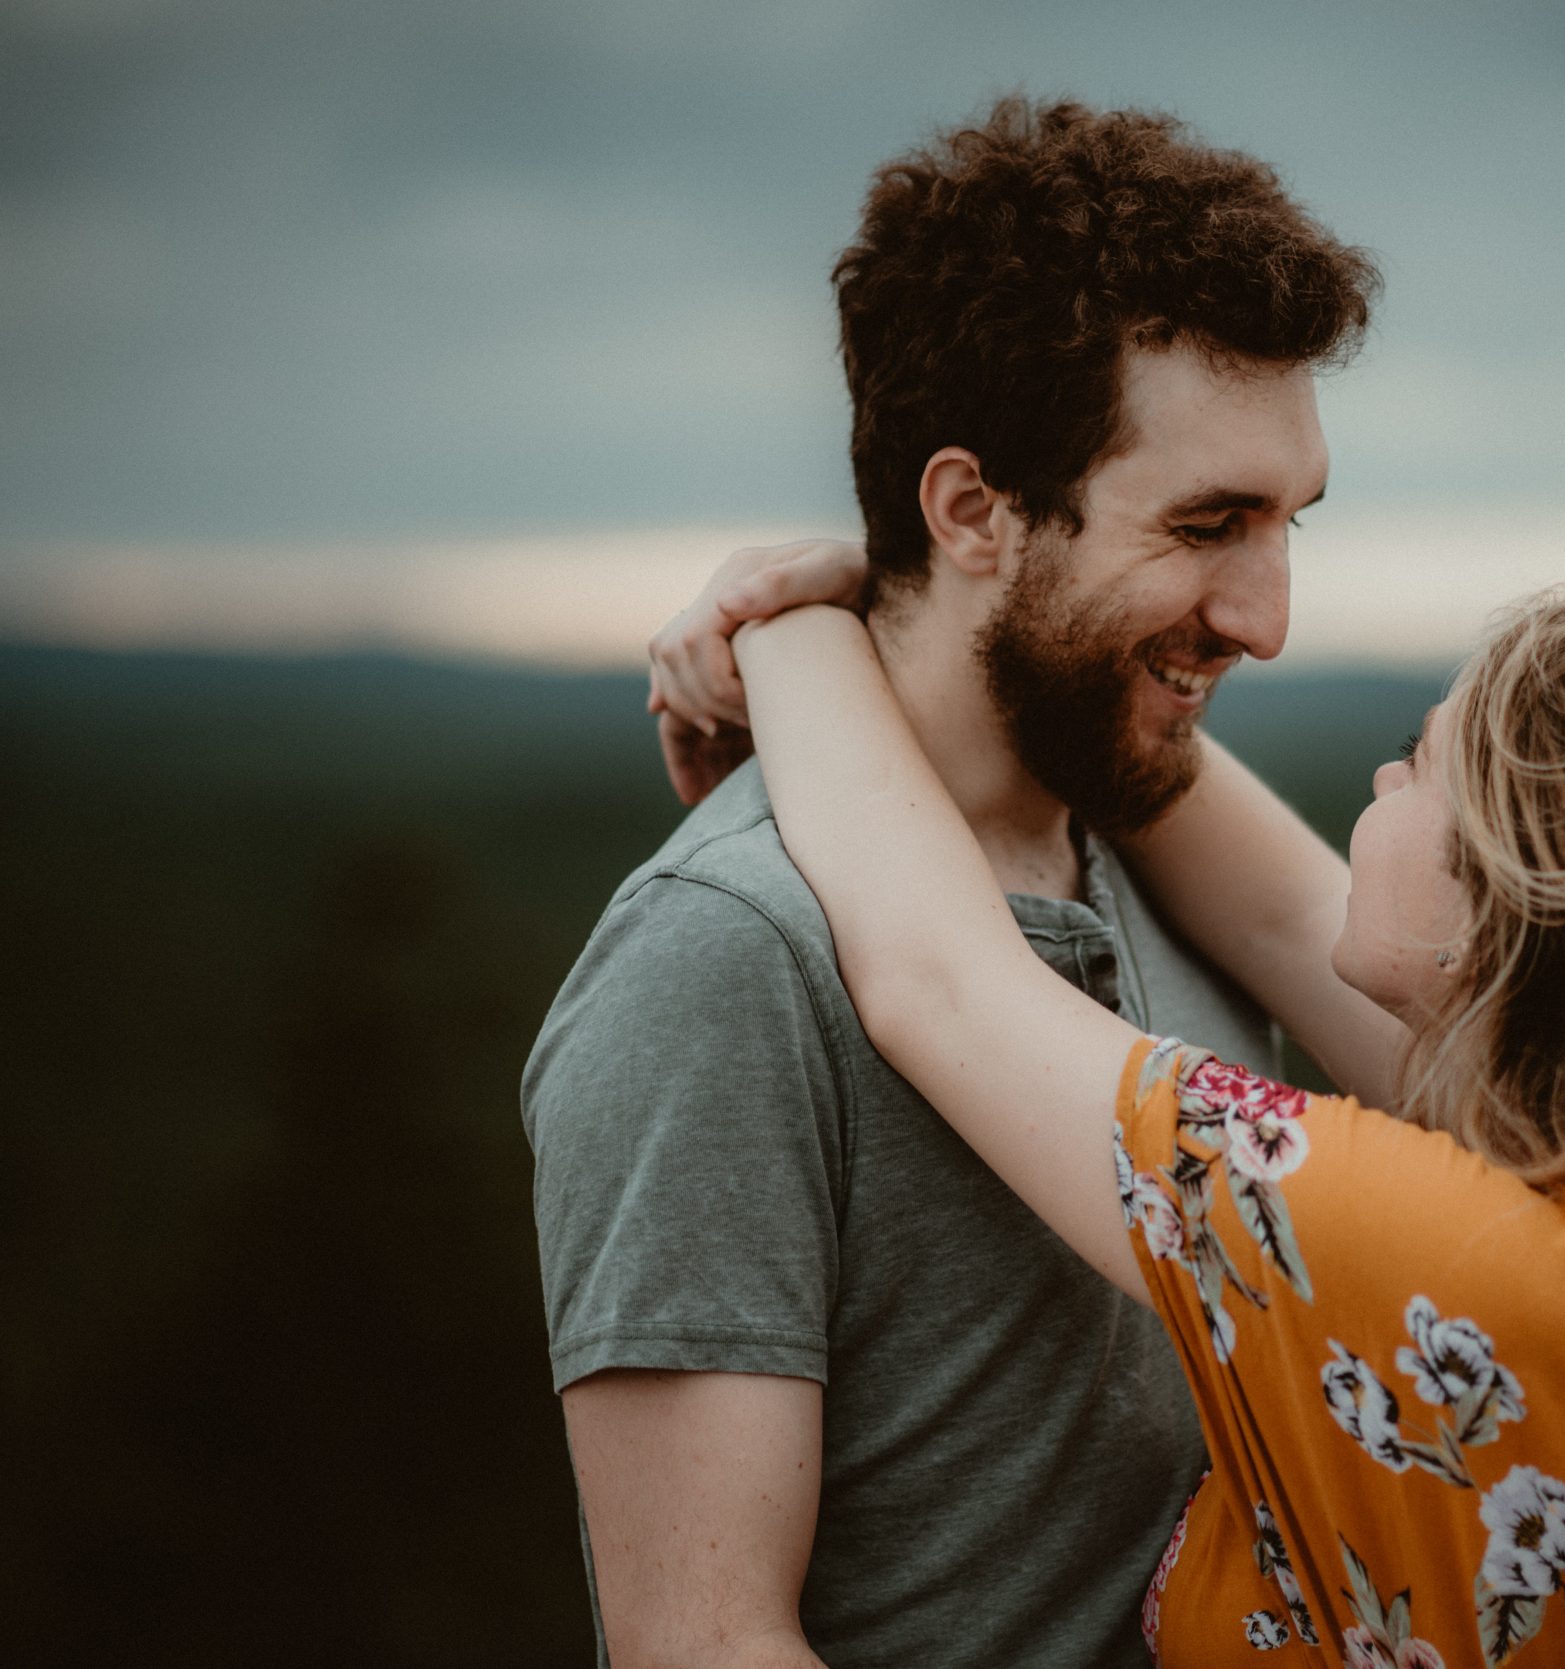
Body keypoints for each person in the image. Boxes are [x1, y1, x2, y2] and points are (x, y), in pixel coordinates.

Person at [657, 551, 1565, 1667]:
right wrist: (966, 609)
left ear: (1512, 899)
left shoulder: (1431, 1245)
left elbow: (940, 979)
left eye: (1425, 762)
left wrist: (787, 627)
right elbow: (1278, 908)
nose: (1383, 781)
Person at [522, 97, 1378, 1669]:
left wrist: (812, 614)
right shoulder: (724, 963)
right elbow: (701, 1643)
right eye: (1208, 525)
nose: (1266, 617)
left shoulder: (1162, 845)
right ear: (972, 509)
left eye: (1286, 522)